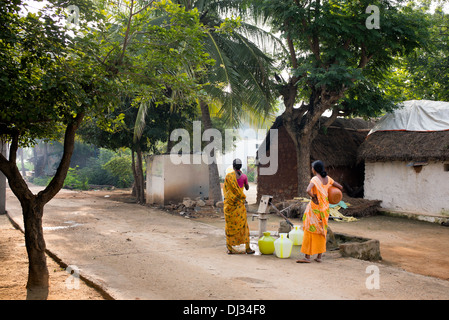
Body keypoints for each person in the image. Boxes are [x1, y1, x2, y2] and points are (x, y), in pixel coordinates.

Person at [296, 160, 343, 263]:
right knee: (322, 231)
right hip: (325, 208)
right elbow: (340, 187)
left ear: (314, 169)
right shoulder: (328, 179)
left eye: (312, 167)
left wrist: (314, 196)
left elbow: (308, 190)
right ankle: (319, 257)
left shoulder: (315, 179)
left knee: (310, 230)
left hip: (315, 208)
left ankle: (307, 257)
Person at [223, 159, 254, 254]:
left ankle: (229, 249)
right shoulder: (244, 176)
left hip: (230, 205)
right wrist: (245, 183)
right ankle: (248, 248)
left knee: (230, 225)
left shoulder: (229, 177)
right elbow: (247, 188)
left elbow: (226, 190)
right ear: (241, 167)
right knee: (243, 225)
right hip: (240, 205)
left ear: (233, 166)